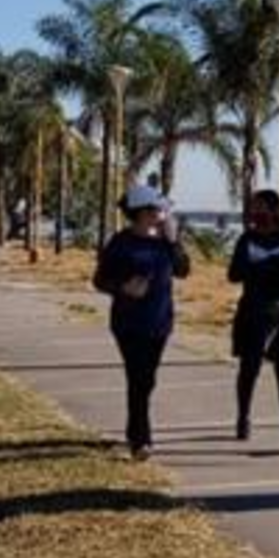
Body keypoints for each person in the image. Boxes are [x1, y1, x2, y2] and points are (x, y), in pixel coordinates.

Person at [92, 185, 190, 460]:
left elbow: (183, 270)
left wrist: (173, 242)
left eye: (161, 210)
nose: (161, 214)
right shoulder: (121, 242)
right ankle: (141, 439)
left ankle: (135, 430)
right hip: (128, 323)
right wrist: (123, 287)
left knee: (147, 380)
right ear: (141, 212)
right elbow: (100, 280)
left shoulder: (165, 241)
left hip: (160, 322)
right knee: (138, 378)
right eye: (156, 209)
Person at [228, 189, 279, 453]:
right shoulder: (247, 239)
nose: (255, 213)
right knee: (249, 369)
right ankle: (243, 419)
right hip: (253, 311)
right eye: (253, 208)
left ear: (275, 210)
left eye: (261, 207)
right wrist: (258, 267)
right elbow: (233, 274)